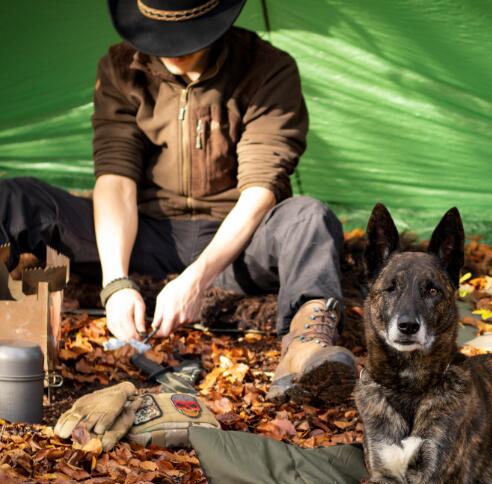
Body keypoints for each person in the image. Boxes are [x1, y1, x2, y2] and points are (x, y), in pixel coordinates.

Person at [0, 0, 357, 404]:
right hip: (145, 233)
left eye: (185, 40)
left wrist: (197, 279)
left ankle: (305, 349)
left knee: (310, 217)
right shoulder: (121, 67)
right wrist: (116, 282)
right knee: (15, 199)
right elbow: (116, 179)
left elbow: (261, 188)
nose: (169, 50)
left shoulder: (268, 69)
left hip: (238, 242)